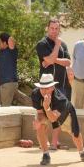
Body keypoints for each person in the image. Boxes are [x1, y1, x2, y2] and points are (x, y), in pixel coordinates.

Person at [31, 73, 84, 166]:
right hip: (46, 112)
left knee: (75, 133)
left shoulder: (60, 100)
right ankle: (45, 155)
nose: (44, 91)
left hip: (64, 113)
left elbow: (53, 119)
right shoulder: (35, 94)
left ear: (52, 87)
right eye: (42, 88)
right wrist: (39, 121)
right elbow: (40, 113)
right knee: (39, 126)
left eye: (47, 88)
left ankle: (83, 152)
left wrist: (47, 107)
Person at [36, 18, 72, 150]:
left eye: (57, 29)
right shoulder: (42, 44)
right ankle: (43, 143)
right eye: (52, 28)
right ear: (47, 28)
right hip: (46, 87)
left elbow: (68, 62)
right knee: (44, 113)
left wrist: (52, 60)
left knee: (57, 114)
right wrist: (56, 46)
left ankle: (54, 143)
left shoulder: (63, 44)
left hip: (61, 86)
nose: (54, 31)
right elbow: (49, 60)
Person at [0, 32, 23, 106]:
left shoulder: (12, 51)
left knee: (5, 109)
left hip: (8, 83)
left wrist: (7, 37)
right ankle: (33, 105)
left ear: (5, 42)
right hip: (2, 84)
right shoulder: (1, 52)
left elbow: (11, 40)